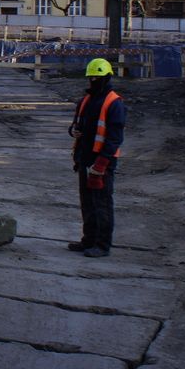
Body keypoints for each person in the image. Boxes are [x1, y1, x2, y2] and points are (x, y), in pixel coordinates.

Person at [68, 57, 126, 258]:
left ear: (106, 77)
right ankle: (88, 240)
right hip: (85, 158)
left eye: (97, 77)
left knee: (101, 203)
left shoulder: (114, 103)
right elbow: (78, 125)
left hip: (102, 162)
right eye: (90, 77)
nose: (93, 80)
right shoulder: (86, 100)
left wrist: (101, 164)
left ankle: (102, 245)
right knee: (87, 203)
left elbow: (115, 137)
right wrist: (73, 131)